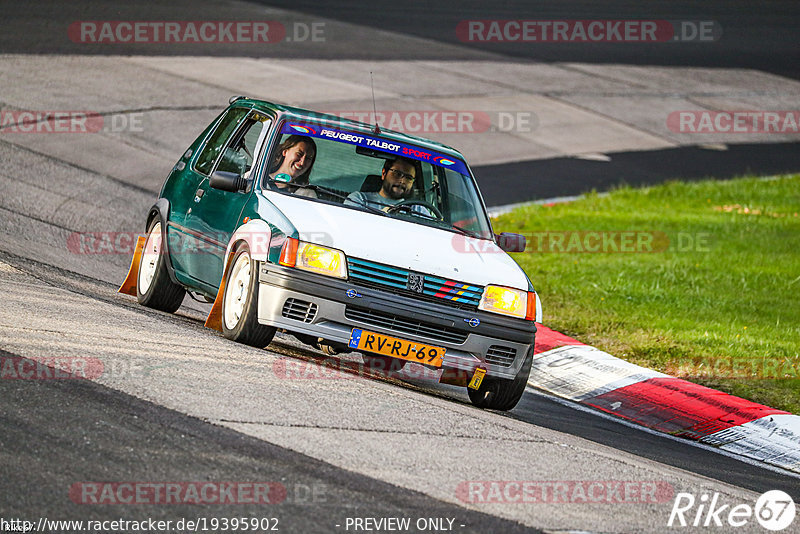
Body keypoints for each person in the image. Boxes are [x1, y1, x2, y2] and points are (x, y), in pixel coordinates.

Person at [345, 156, 419, 210]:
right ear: (384, 174)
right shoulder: (359, 200)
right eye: (397, 174)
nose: (402, 181)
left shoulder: (418, 210)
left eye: (408, 178)